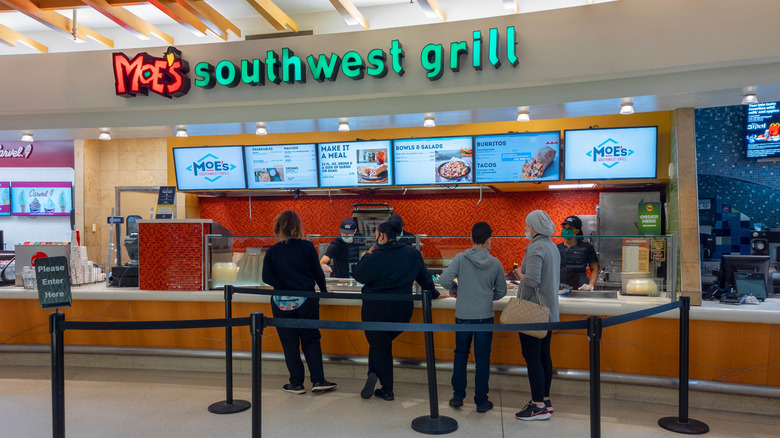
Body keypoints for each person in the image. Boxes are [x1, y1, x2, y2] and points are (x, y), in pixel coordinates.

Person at [352, 219, 443, 401]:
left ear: (382, 236)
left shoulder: (376, 256)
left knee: (381, 345)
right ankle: (374, 375)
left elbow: (358, 275)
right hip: (402, 310)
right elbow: (425, 279)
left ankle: (387, 389)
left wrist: (368, 255)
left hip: (375, 310)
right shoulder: (412, 253)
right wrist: (434, 294)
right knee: (380, 345)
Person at [262, 210, 337, 395]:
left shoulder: (273, 250)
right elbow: (318, 272)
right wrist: (324, 291)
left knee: (289, 343)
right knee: (311, 340)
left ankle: (296, 383)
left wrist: (283, 285)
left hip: (280, 302)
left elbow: (266, 277)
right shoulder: (307, 247)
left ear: (278, 227)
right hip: (306, 300)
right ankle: (318, 380)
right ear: (298, 227)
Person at [438, 222, 507, 413]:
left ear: (472, 238)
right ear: (489, 240)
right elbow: (501, 290)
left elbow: (443, 280)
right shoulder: (495, 263)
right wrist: (486, 297)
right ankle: (481, 402)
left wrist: (457, 289)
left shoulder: (460, 258)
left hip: (463, 315)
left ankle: (458, 396)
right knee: (482, 358)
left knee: (460, 354)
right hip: (484, 316)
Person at [512, 210, 560, 421]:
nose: (526, 228)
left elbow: (532, 281)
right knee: (543, 356)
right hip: (548, 312)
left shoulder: (535, 247)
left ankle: (537, 406)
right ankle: (545, 400)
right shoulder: (551, 246)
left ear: (534, 227)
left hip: (533, 313)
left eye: (527, 225)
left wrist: (519, 275)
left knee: (532, 358)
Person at [556, 215, 599, 291]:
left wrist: (590, 285)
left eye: (569, 228)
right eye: (564, 228)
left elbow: (595, 268)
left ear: (577, 231)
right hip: (560, 288)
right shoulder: (557, 248)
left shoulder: (587, 247)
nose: (566, 230)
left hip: (580, 288)